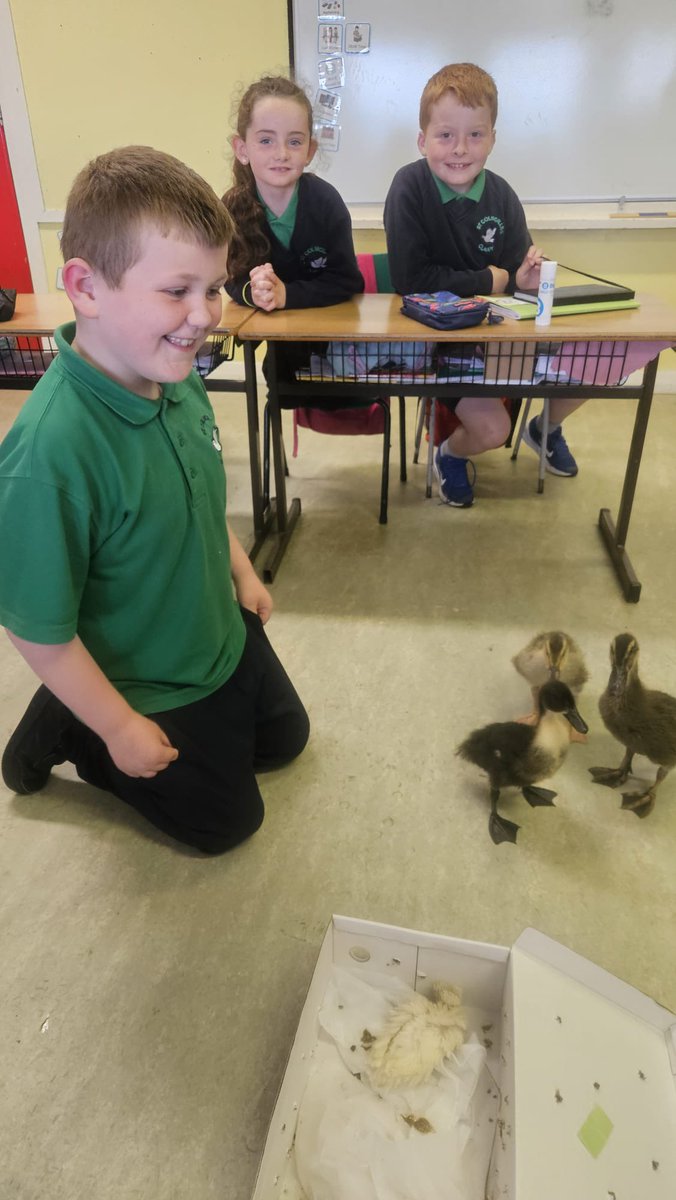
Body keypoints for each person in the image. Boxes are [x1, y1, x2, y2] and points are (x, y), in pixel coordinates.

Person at [0, 146, 309, 854]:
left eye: (215, 287)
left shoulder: (174, 373)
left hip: (214, 630)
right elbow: (36, 627)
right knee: (227, 825)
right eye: (176, 291)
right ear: (87, 287)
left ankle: (99, 709)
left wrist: (240, 570)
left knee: (285, 741)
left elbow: (197, 495)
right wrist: (118, 728)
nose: (204, 316)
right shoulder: (48, 454)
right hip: (147, 677)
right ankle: (71, 721)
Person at [384, 62, 584, 508]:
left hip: (501, 340)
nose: (460, 149)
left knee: (597, 368)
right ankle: (449, 454)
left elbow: (516, 279)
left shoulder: (502, 195)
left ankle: (544, 429)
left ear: (492, 139)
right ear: (422, 140)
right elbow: (410, 280)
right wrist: (487, 280)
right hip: (443, 344)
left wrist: (526, 282)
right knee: (493, 430)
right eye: (445, 135)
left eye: (475, 135)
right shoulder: (409, 187)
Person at [222, 74, 363, 381]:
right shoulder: (232, 209)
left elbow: (347, 281)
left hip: (333, 342)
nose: (282, 153)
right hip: (280, 351)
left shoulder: (326, 202)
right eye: (266, 140)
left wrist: (287, 295)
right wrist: (254, 293)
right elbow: (232, 281)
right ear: (242, 149)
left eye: (295, 141)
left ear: (310, 151)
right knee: (279, 387)